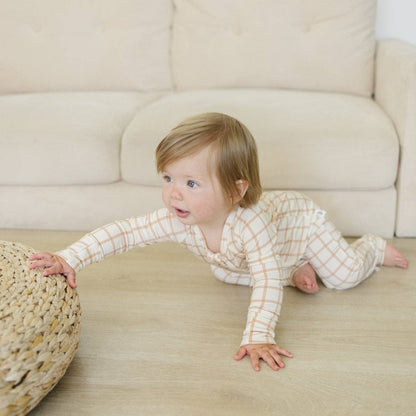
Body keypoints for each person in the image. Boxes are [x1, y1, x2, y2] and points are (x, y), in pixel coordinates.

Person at [29, 112, 408, 372]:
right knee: (224, 272)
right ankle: (293, 268)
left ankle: (370, 249)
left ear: (235, 190)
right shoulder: (182, 217)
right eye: (168, 178)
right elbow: (125, 232)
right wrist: (70, 257)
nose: (174, 194)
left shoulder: (251, 224)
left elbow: (263, 282)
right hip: (267, 252)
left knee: (342, 276)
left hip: (301, 226)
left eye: (191, 183)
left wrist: (258, 335)